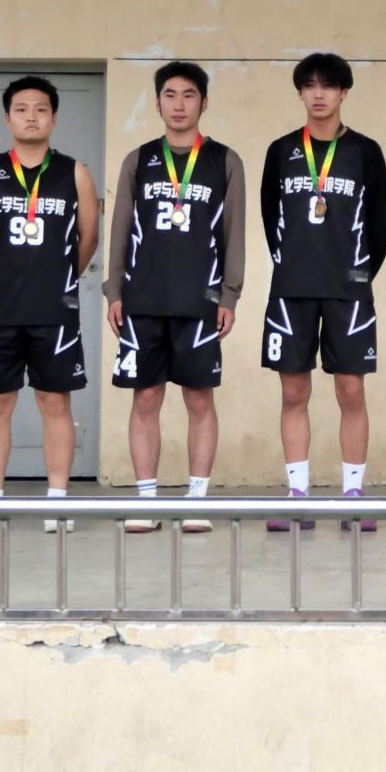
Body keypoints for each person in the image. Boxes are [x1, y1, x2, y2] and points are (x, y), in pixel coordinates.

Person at [103, 61, 245, 535]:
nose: (179, 104)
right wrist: (114, 289)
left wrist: (229, 295)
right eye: (170, 94)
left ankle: (197, 500)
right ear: (158, 102)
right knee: (145, 397)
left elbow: (234, 234)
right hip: (143, 298)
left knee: (199, 398)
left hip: (200, 300)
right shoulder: (138, 160)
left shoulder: (225, 160)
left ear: (204, 102)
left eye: (188, 95)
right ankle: (146, 499)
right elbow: (120, 228)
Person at [0, 76, 100, 535]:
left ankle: (57, 501)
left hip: (55, 310)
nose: (31, 117)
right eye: (21, 109)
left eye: (41, 109)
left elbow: (88, 239)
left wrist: (55, 277)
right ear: (7, 118)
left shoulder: (75, 172)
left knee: (55, 402)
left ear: (54, 118)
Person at [260, 53, 386, 533]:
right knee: (293, 391)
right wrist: (294, 263)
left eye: (328, 85)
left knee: (351, 390)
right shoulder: (281, 150)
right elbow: (270, 216)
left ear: (344, 92)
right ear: (300, 92)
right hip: (292, 289)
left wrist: (357, 273)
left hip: (348, 291)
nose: (319, 94)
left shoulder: (365, 151)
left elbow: (384, 222)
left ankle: (352, 494)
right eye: (310, 85)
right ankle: (297, 494)